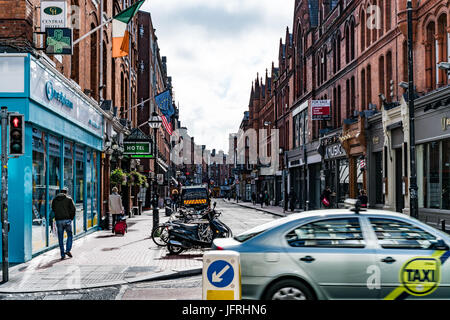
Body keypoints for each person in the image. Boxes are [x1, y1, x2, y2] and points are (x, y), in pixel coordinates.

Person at [51, 187, 76, 260]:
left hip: (58, 220)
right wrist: (71, 218)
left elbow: (53, 209)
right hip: (67, 220)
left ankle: (62, 254)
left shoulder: (55, 200)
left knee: (60, 237)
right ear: (66, 192)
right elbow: (73, 210)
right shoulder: (69, 199)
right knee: (69, 235)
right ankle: (67, 250)